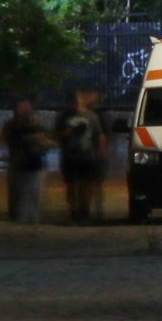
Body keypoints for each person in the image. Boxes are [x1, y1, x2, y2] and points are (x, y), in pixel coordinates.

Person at [57, 88, 109, 226]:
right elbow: (57, 135)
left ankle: (84, 211)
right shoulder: (64, 117)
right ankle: (74, 211)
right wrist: (68, 132)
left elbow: (99, 134)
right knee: (72, 185)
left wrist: (100, 151)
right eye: (74, 102)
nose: (77, 104)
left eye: (78, 101)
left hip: (88, 155)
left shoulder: (91, 116)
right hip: (70, 155)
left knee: (86, 184)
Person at [0, 95, 51, 226]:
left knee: (33, 196)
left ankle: (31, 220)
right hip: (20, 163)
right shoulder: (12, 125)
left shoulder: (37, 124)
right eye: (23, 105)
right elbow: (11, 140)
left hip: (33, 163)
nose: (26, 108)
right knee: (19, 196)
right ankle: (20, 220)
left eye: (27, 105)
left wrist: (43, 143)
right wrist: (35, 138)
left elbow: (45, 141)